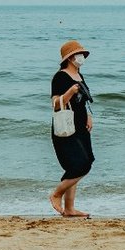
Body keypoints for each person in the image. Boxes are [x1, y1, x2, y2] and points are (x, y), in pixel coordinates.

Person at [49, 40, 95, 217]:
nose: (82, 57)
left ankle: (69, 209)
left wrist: (89, 116)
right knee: (81, 165)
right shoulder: (60, 77)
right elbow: (55, 104)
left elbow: (84, 100)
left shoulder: (79, 75)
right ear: (69, 58)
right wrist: (70, 92)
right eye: (78, 54)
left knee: (84, 162)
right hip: (67, 127)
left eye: (82, 54)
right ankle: (56, 194)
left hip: (82, 126)